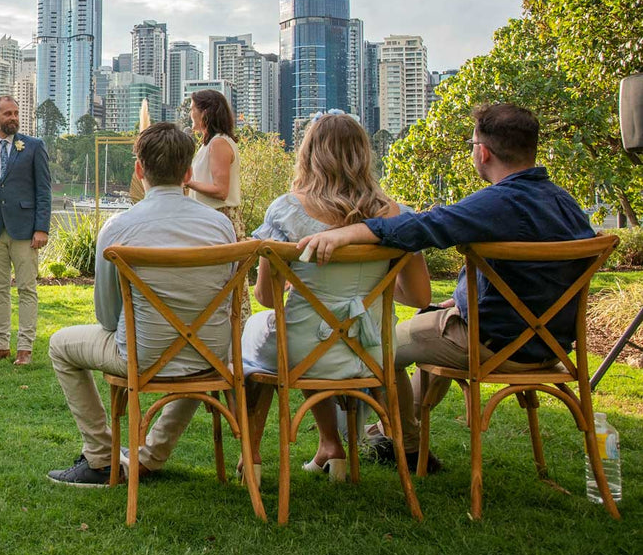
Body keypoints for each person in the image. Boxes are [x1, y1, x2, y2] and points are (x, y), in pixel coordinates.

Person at [299, 103, 598, 470]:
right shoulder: (566, 203)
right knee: (432, 325)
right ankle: (388, 433)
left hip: (490, 345)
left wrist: (349, 233)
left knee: (381, 344)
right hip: (552, 347)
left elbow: (424, 226)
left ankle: (403, 445)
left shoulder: (498, 201)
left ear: (483, 152)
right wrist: (460, 303)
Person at [240, 114, 432, 474]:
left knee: (263, 332)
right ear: (363, 155)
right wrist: (374, 287)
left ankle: (253, 454)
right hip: (374, 351)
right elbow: (420, 297)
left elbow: (267, 297)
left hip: (306, 349)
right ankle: (330, 445)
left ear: (309, 155)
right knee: (315, 335)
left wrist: (302, 284)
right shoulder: (399, 216)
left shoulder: (286, 211)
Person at [46, 122, 236, 486]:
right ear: (188, 172)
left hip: (144, 354)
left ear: (139, 170)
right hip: (212, 351)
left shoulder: (119, 228)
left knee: (60, 346)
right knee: (195, 353)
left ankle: (102, 458)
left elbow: (105, 315)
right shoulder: (219, 227)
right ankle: (150, 456)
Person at [0, 95, 51, 366]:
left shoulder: (34, 146)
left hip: (26, 230)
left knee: (27, 289)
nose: (13, 118)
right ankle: (0, 344)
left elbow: (44, 190)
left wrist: (42, 228)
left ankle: (25, 348)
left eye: (16, 113)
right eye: (7, 114)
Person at [186, 89, 243, 239]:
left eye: (192, 109)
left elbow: (221, 191)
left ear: (205, 113)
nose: (190, 114)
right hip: (208, 217)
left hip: (218, 219)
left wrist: (187, 182)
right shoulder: (210, 143)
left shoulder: (219, 143)